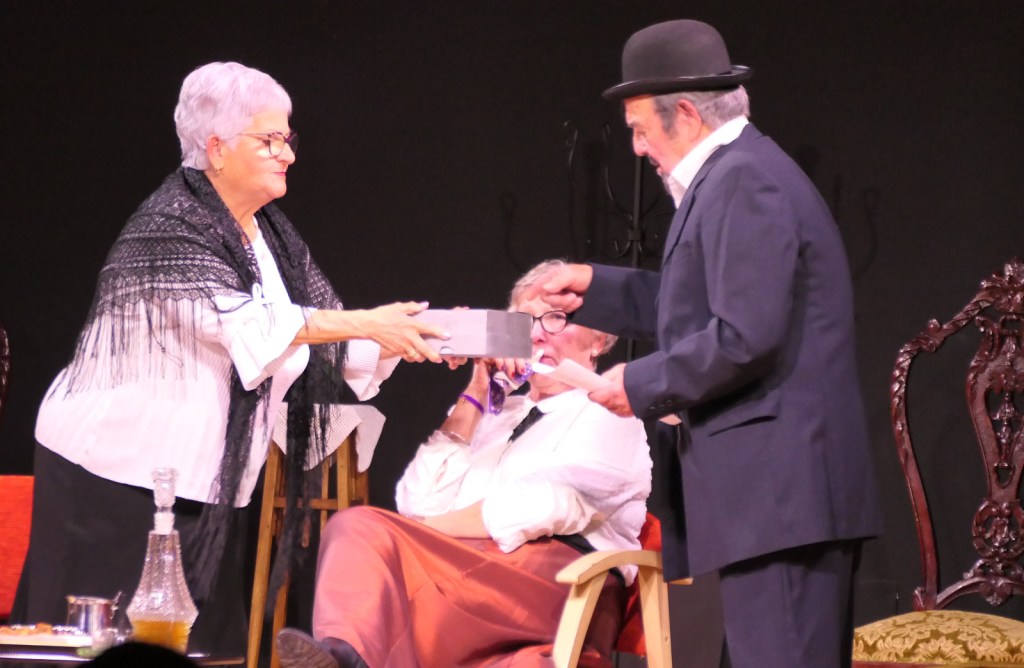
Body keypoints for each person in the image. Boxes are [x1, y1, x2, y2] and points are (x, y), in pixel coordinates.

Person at [12, 61, 448, 657]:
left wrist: (427, 338)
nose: (287, 154)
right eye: (269, 139)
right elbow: (256, 327)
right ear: (217, 148)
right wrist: (371, 323)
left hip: (199, 479)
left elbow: (319, 333)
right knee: (103, 648)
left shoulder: (267, 234)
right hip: (112, 475)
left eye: (287, 138)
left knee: (196, 648)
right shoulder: (168, 230)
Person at [526, 20, 883, 668]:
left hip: (782, 497)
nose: (637, 148)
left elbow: (745, 334)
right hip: (776, 502)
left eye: (640, 129)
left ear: (686, 114)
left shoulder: (744, 181)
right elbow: (702, 303)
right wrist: (593, 288)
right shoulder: (737, 175)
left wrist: (636, 385)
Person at [275, 259, 653, 668]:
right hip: (470, 584)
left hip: (557, 586)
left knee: (380, 546)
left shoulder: (612, 413)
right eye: (524, 322)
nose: (537, 333)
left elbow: (551, 504)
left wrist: (419, 536)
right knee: (353, 526)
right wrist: (474, 394)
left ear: (599, 339)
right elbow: (417, 502)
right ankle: (346, 656)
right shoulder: (498, 414)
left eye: (557, 318)